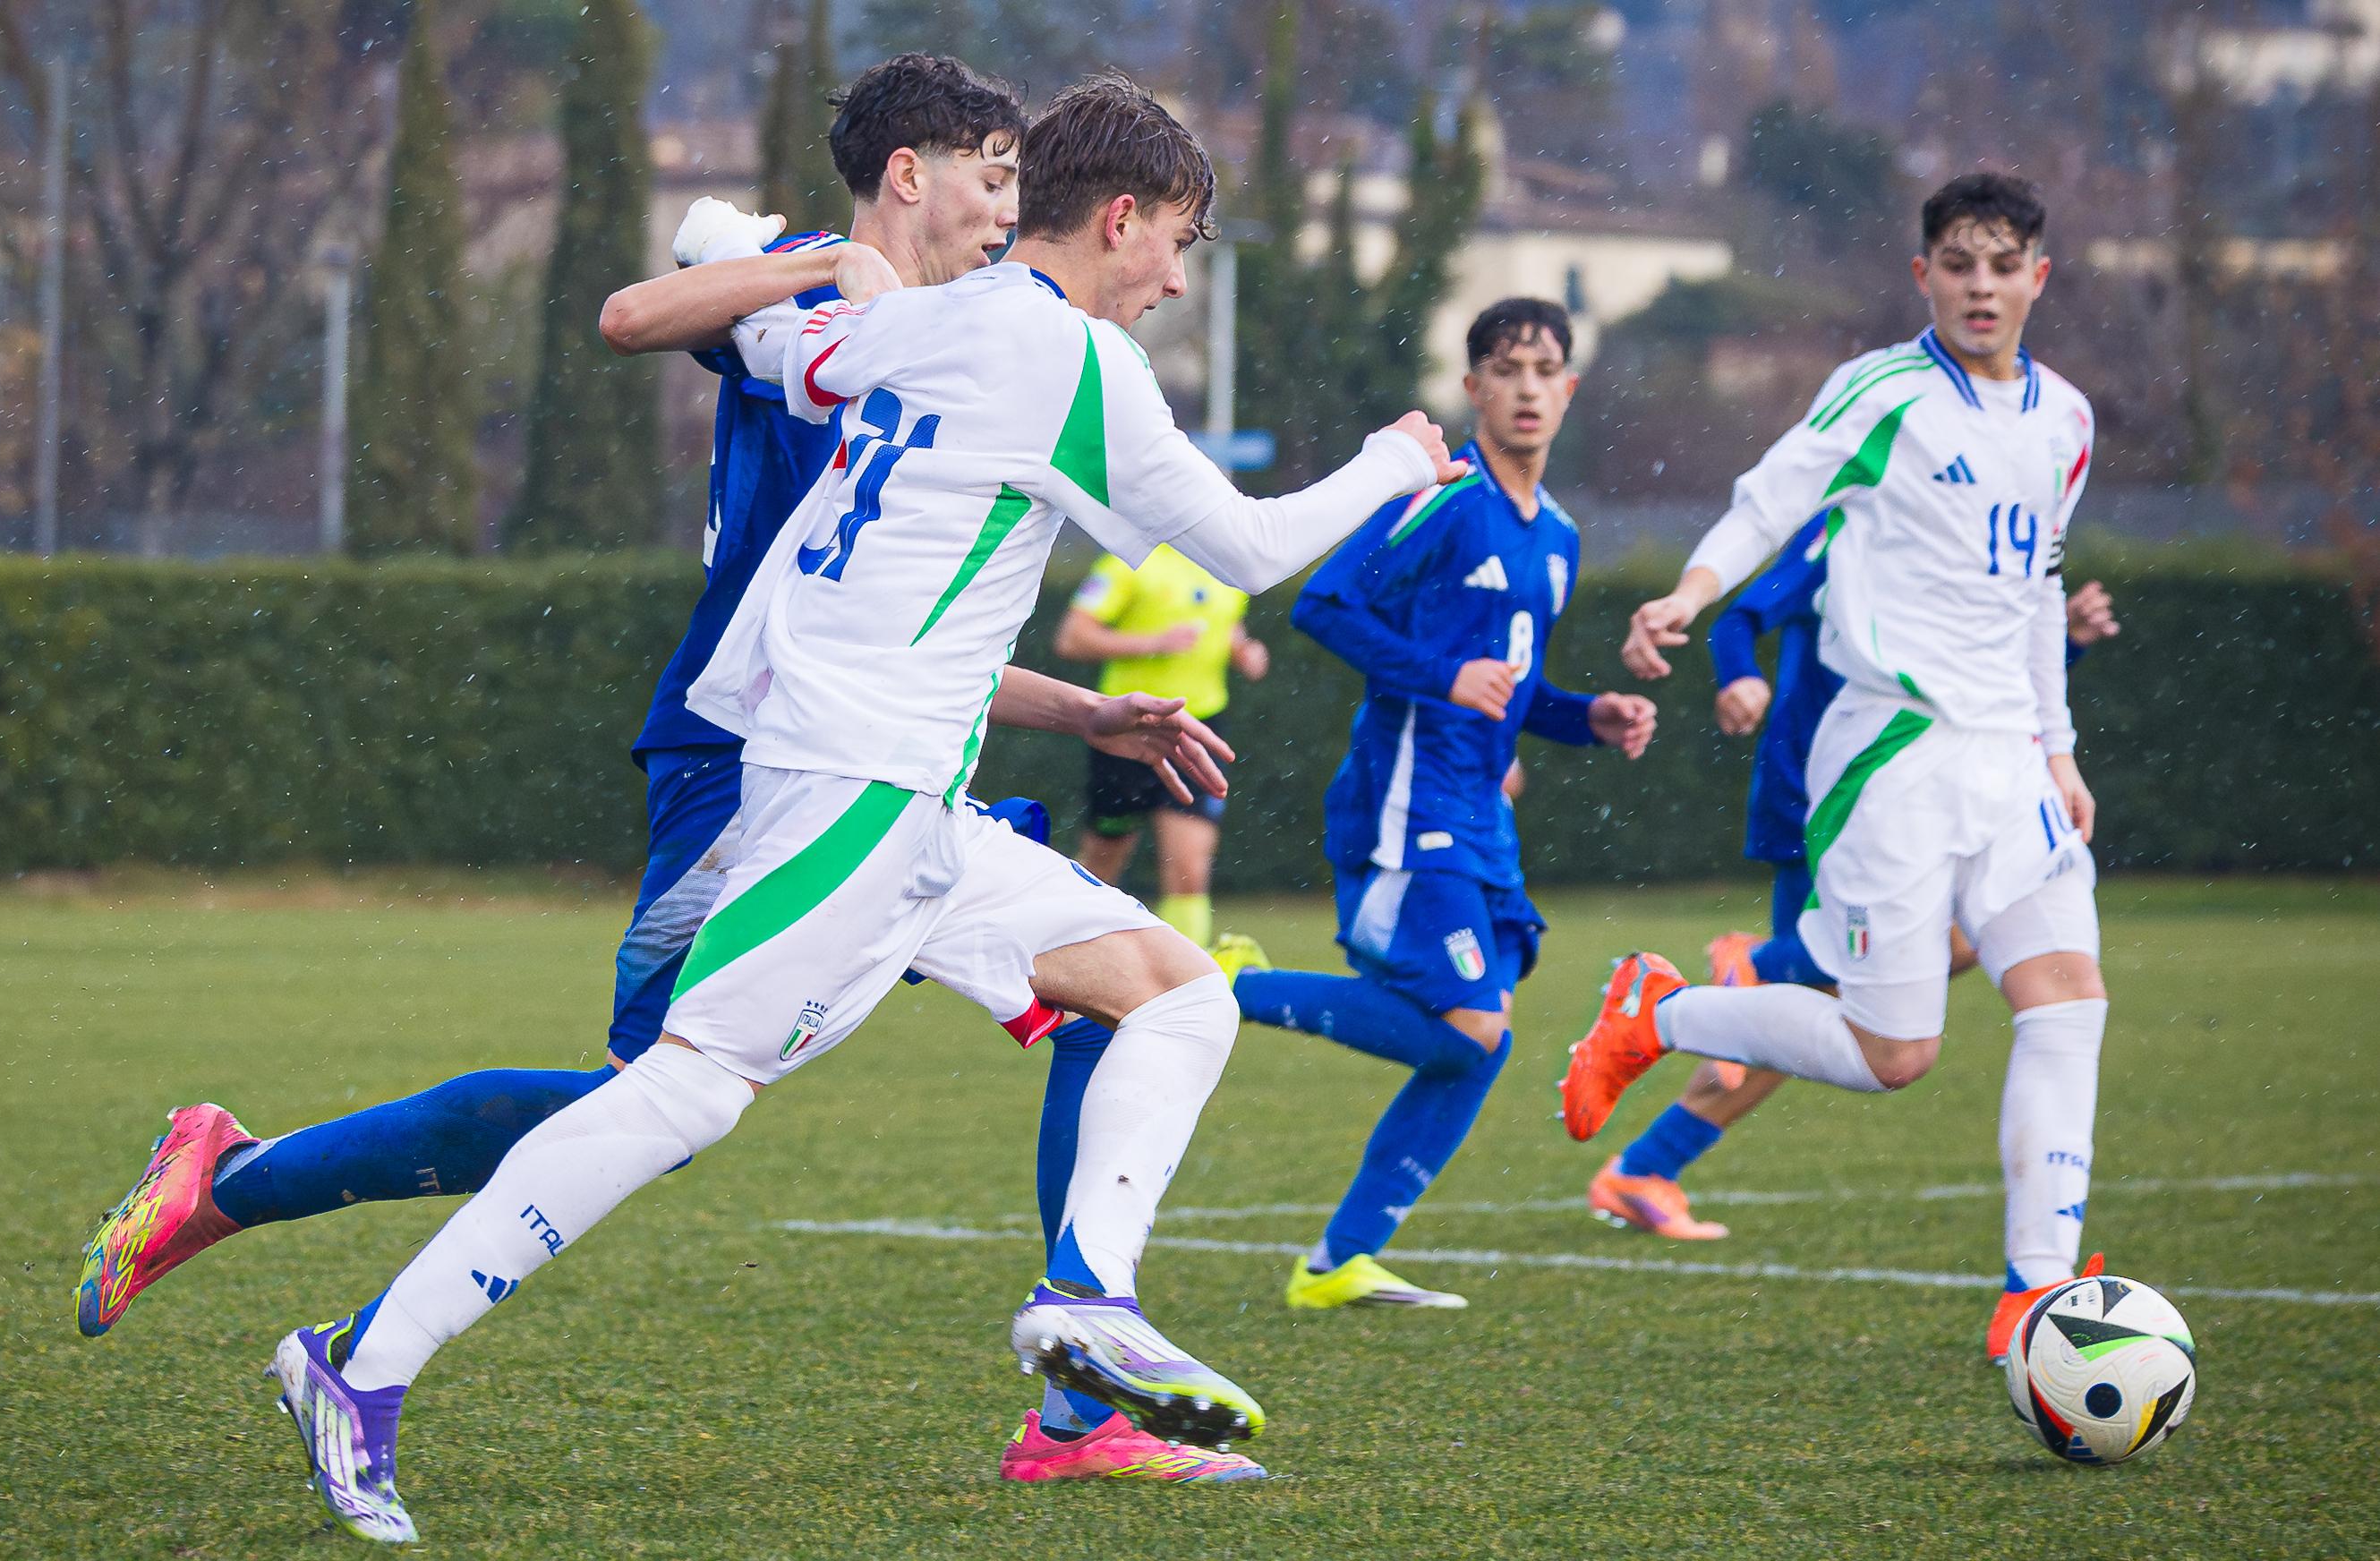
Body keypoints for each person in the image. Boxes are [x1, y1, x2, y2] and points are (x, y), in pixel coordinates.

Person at [249, 73, 1472, 1544]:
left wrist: (760, 258)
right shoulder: (1066, 355)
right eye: (1181, 243)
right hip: (852, 785)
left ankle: (1088, 1294)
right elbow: (1242, 545)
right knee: (682, 1091)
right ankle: (356, 1365)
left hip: (907, 794)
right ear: (1127, 215)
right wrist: (1399, 458)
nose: (1175, 277)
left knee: (1173, 993)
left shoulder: (923, 316)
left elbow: (768, 339)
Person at [1557, 172, 2111, 1367]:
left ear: (2035, 279)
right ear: (1923, 275)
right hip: (1890, 757)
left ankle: (2032, 1295)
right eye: (1955, 264)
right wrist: (1686, 597)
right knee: (1889, 1054)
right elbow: (1764, 506)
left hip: (2008, 763)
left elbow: (2034, 598)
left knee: (2066, 1003)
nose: (1978, 285)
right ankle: (1660, 1012)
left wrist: (2057, 752)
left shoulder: (2062, 422)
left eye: (2000, 264)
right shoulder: (1879, 394)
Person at [1212, 298, 1659, 1309]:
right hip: (1408, 808)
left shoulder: (1560, 537)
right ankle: (1230, 988)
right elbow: (1327, 601)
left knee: (1477, 1047)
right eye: (1507, 369)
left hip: (1480, 822)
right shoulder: (1447, 498)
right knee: (1468, 1030)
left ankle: (1338, 1263)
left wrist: (1591, 716)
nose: (1529, 387)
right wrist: (1440, 675)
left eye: (1547, 369)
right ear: (1473, 390)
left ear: (1570, 390)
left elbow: (1513, 686)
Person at [1588, 560, 2119, 1241]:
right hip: (1832, 800)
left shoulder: (1954, 522)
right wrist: (1739, 677)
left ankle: (1649, 1157)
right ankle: (1764, 968)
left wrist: (2063, 642)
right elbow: (1741, 619)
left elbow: (1978, 691)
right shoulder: (1847, 518)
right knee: (1844, 1013)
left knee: (1840, 1017)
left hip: (1911, 809)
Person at [1054, 547, 1268, 945]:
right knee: (1101, 864)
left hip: (1198, 731)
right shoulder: (1126, 561)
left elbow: (1226, 625)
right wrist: (1153, 642)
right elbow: (1072, 638)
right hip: (1126, 731)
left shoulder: (1226, 561)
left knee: (1189, 870)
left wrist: (1244, 650)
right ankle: (1063, 962)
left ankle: (1184, 986)